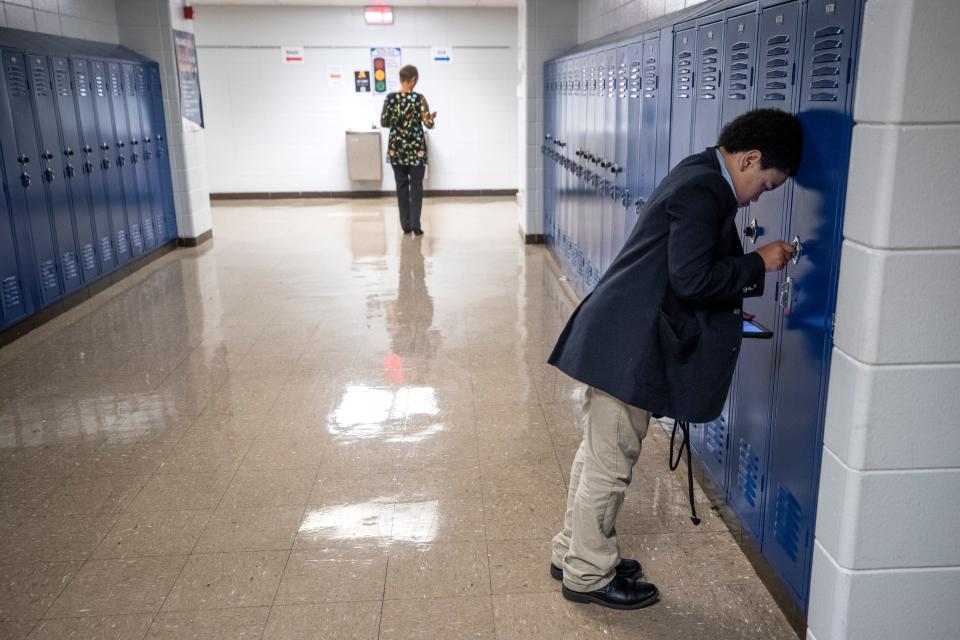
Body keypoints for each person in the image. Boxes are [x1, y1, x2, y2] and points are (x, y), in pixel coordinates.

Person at [547, 109, 804, 610]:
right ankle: (587, 575)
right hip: (630, 345)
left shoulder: (698, 169)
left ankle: (575, 551)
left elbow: (681, 272)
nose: (759, 198)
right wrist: (759, 261)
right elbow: (691, 278)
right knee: (609, 463)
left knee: (597, 454)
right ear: (749, 159)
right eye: (766, 185)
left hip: (622, 335)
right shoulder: (706, 190)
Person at [380, 65, 437, 237]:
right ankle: (416, 225)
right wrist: (429, 119)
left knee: (401, 186)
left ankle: (405, 226)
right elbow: (429, 124)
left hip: (397, 149)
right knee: (416, 187)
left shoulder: (390, 98)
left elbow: (384, 122)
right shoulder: (419, 99)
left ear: (401, 79)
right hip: (416, 149)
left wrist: (397, 124)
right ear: (413, 80)